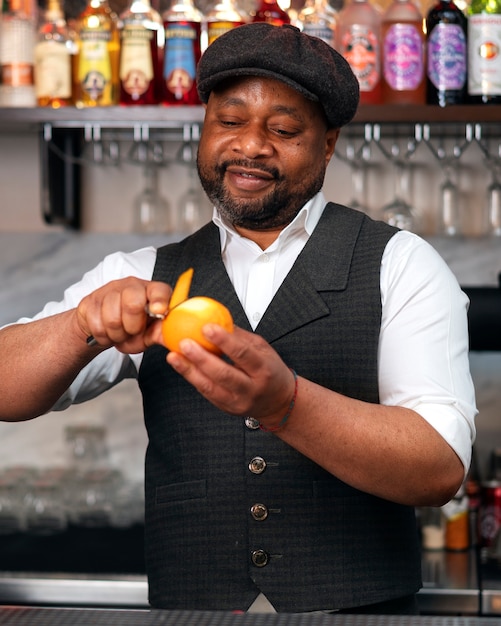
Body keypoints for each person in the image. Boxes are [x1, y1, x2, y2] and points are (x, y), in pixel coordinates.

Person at [0, 23, 476, 615]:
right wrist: (80, 327)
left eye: (282, 129)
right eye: (229, 121)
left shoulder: (400, 265)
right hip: (190, 612)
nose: (250, 145)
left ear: (327, 145)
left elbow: (439, 468)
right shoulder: (144, 272)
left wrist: (286, 405)